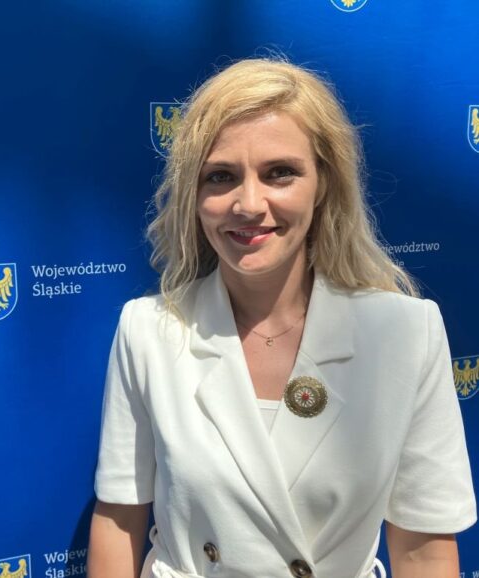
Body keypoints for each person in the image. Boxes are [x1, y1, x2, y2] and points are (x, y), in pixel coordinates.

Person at [87, 58, 476, 578]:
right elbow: (118, 520)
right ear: (195, 196)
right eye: (221, 176)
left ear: (323, 184)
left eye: (280, 173)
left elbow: (423, 550)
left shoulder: (408, 334)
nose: (249, 204)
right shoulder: (148, 331)